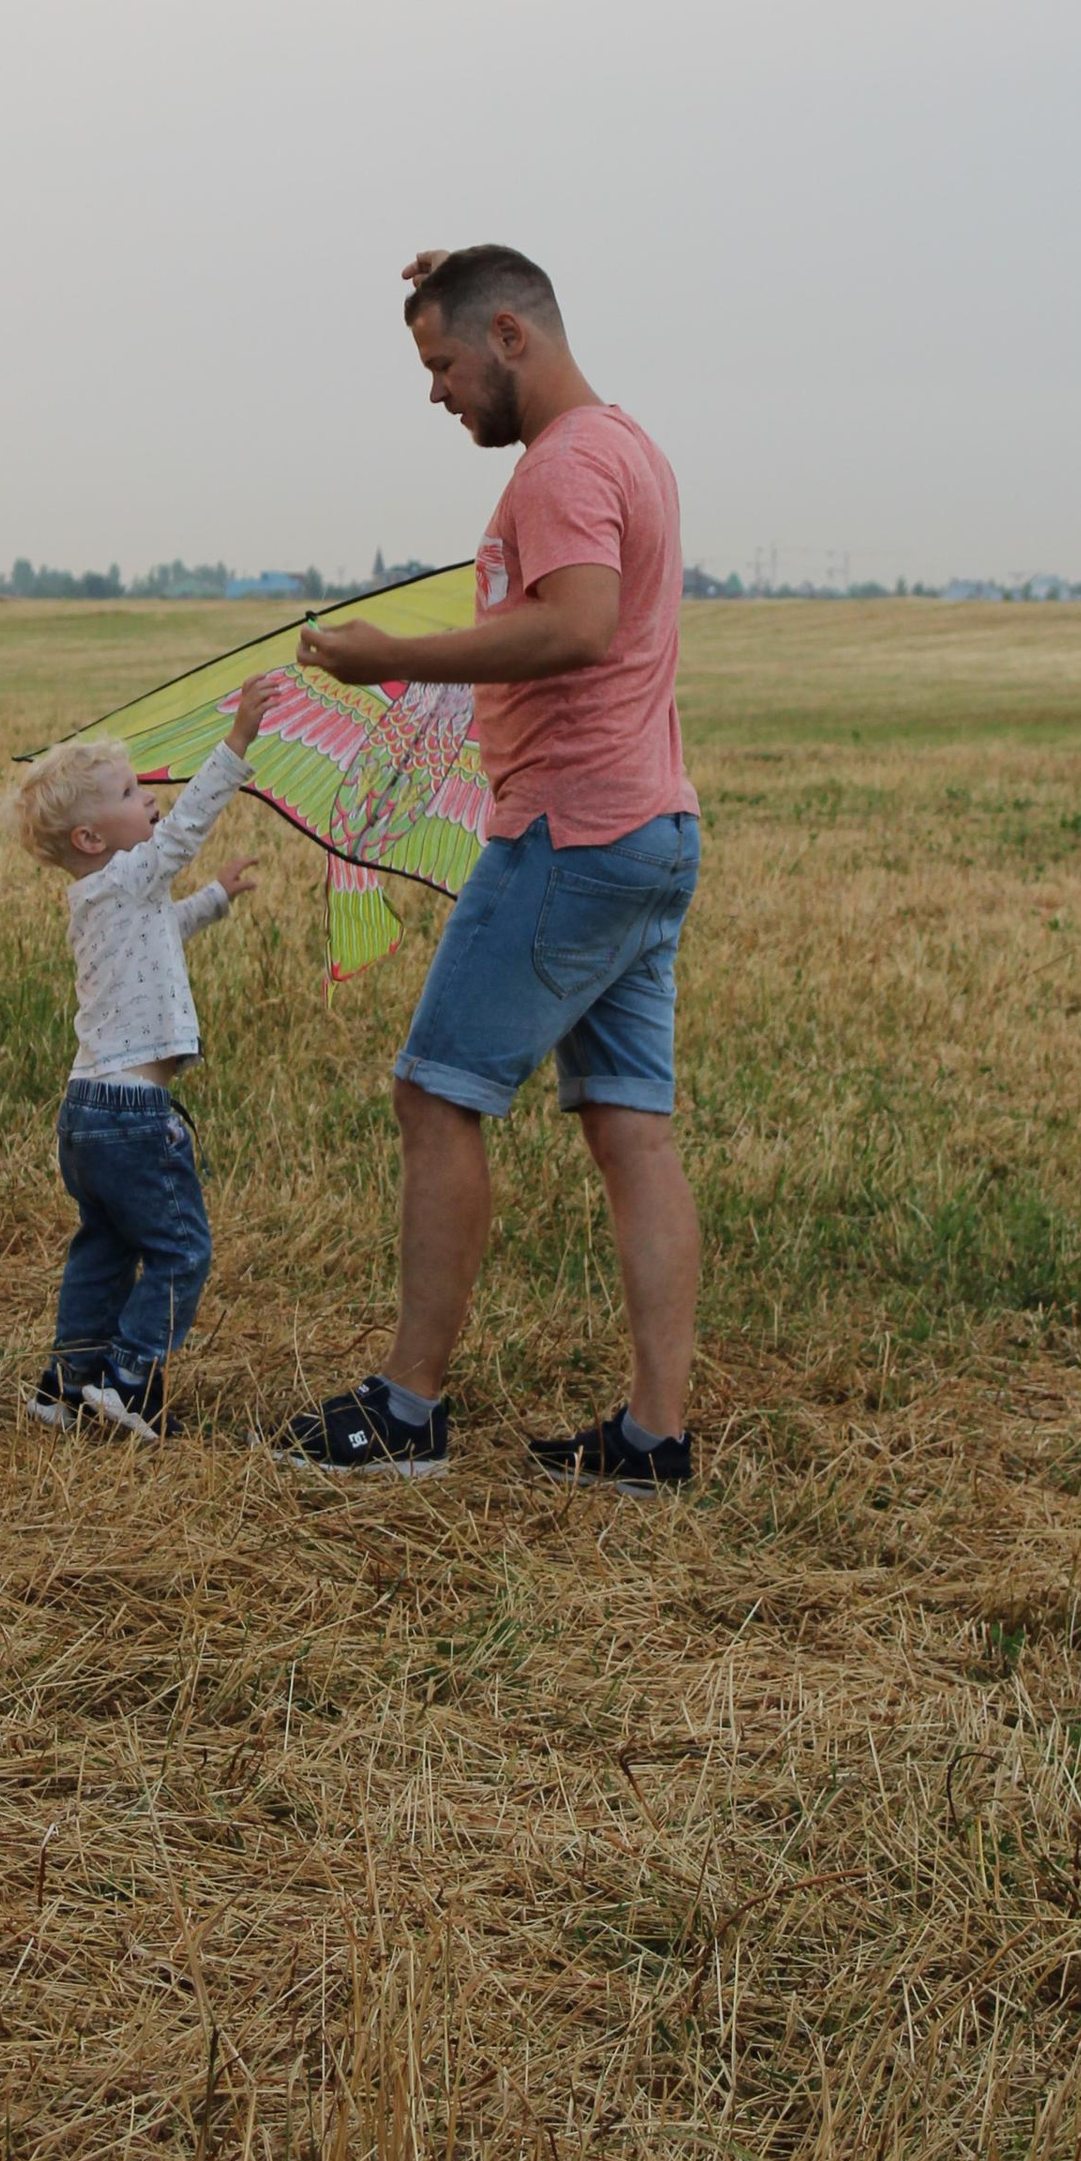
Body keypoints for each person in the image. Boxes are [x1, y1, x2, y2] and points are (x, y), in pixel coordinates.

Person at [272, 246, 702, 1490]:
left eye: (442, 362)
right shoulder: (628, 445)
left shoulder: (564, 464)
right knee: (634, 1131)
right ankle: (651, 1440)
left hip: (568, 836)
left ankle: (405, 1412)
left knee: (434, 1095)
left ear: (508, 335)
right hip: (651, 829)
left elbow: (575, 624)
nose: (436, 391)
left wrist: (387, 657)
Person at [2, 667, 278, 1440]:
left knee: (105, 1249)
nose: (151, 797)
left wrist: (215, 900)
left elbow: (164, 934)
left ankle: (64, 1386)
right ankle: (127, 1377)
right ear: (91, 839)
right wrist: (238, 740)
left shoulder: (105, 899)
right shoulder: (129, 879)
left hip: (84, 1113)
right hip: (131, 1114)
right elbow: (187, 828)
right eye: (129, 793)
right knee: (181, 1250)